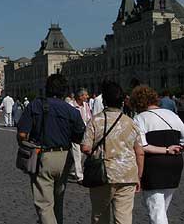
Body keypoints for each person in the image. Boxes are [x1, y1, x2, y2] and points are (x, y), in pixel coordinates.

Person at [17, 74, 85, 224]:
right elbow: (80, 135)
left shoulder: (35, 105)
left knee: (44, 204)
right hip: (65, 157)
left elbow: (22, 133)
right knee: (58, 200)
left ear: (46, 89)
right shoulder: (72, 111)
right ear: (64, 91)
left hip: (43, 156)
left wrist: (25, 145)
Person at [81, 81, 144, 224]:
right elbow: (140, 152)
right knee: (124, 218)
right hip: (127, 176)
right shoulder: (131, 122)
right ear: (122, 101)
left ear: (104, 101)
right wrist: (138, 176)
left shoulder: (95, 121)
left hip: (103, 174)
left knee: (100, 216)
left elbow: (85, 147)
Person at [130, 85, 184, 224]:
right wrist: (176, 148)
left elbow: (143, 146)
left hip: (154, 166)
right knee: (161, 209)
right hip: (175, 164)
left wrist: (165, 150)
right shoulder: (172, 115)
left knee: (156, 212)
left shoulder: (139, 118)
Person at [69, 88, 92, 183]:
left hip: (84, 132)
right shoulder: (71, 105)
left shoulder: (86, 105)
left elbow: (89, 118)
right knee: (77, 154)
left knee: (82, 154)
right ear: (80, 96)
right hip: (74, 133)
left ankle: (72, 170)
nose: (87, 97)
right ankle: (79, 176)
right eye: (86, 95)